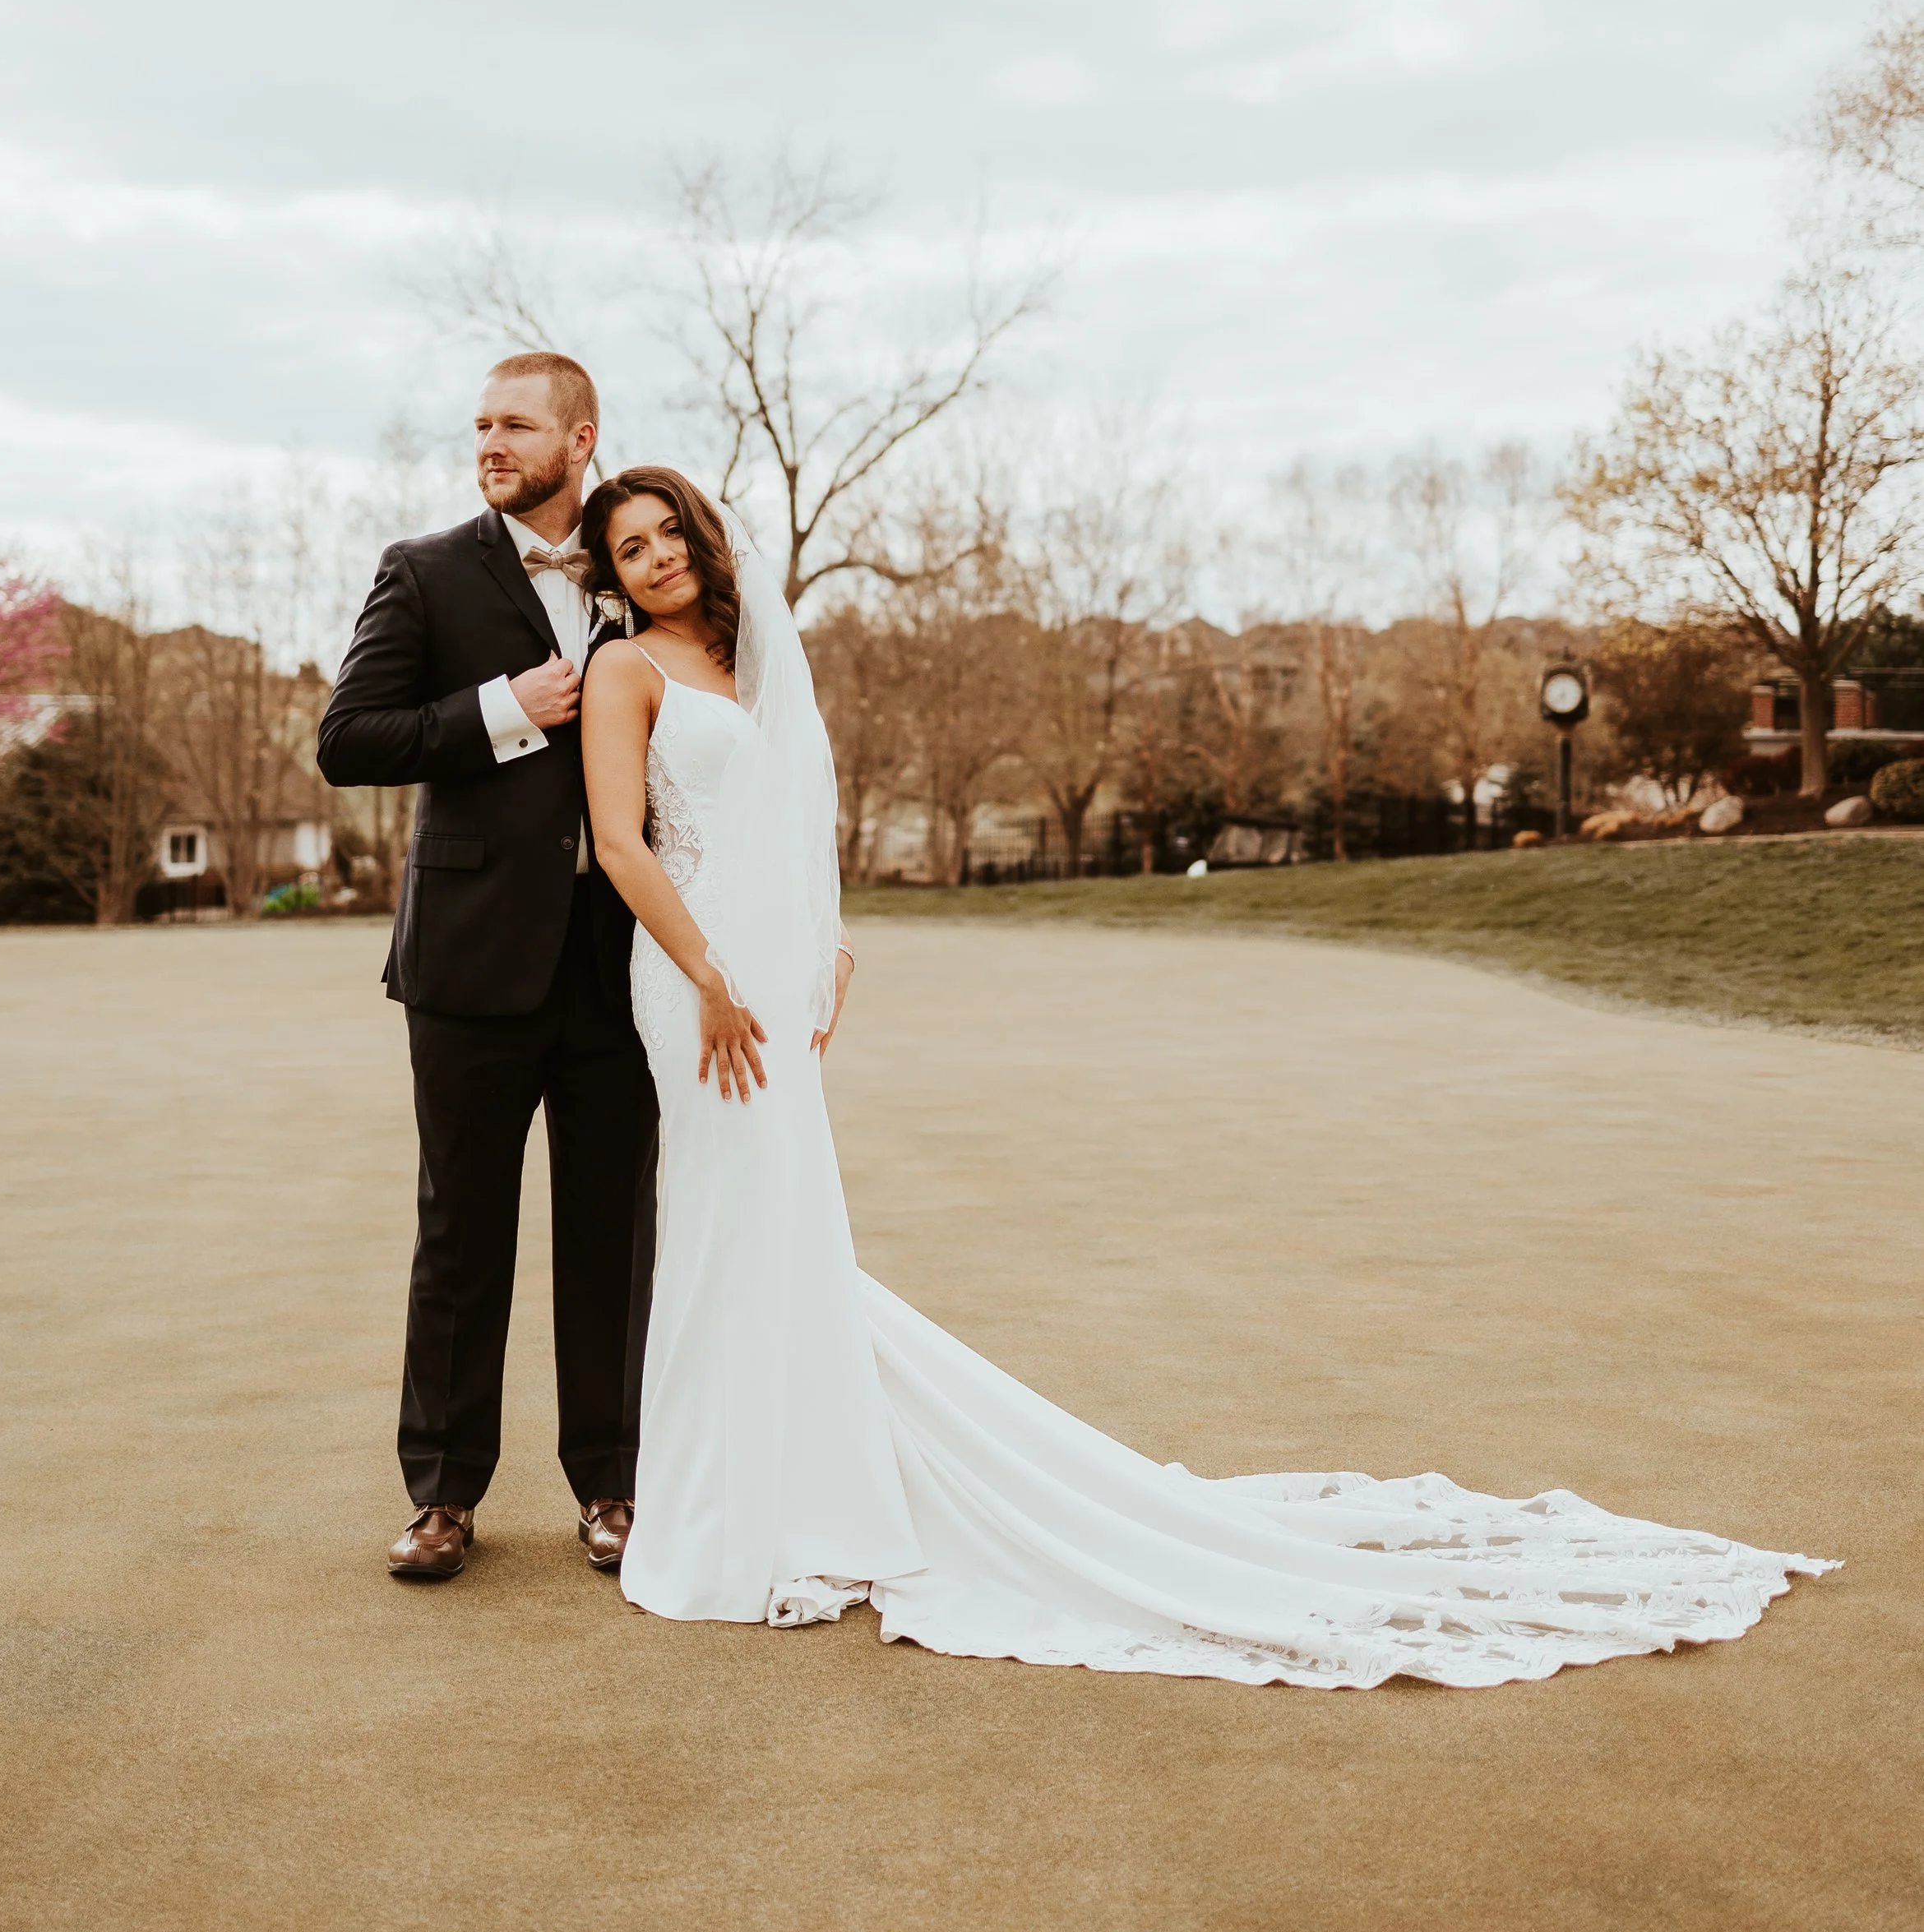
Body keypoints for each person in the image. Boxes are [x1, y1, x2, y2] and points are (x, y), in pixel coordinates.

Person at [578, 465, 1834, 1683]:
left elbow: (801, 823)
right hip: (694, 986)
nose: (658, 557)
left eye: (668, 532)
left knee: (785, 1229)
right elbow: (623, 843)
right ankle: (730, 1511)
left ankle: (810, 1488)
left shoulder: (762, 661)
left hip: (777, 979)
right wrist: (712, 976)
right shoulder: (625, 669)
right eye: (631, 548)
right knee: (720, 1223)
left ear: (699, 530)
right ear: (616, 574)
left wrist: (829, 942)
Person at [317, 354, 658, 1584]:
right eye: (478, 424)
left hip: (621, 964)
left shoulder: (643, 556)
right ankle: (444, 1496)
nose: (488, 442)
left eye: (514, 423)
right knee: (461, 1232)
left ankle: (614, 1486)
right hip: (468, 964)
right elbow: (347, 739)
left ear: (581, 436)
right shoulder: (424, 569)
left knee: (613, 1229)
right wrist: (503, 707)